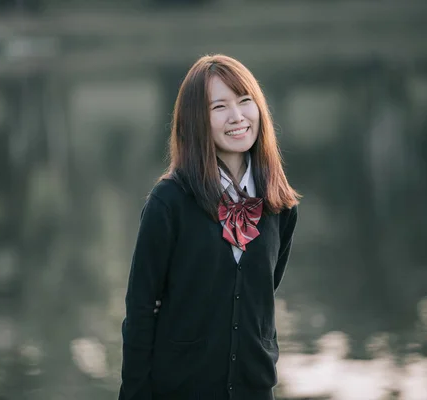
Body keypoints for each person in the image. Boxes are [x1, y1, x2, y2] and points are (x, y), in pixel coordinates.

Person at [119, 54, 300, 400]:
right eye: (220, 107)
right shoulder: (168, 202)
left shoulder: (279, 204)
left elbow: (262, 292)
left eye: (245, 101)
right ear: (196, 120)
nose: (237, 117)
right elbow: (140, 313)